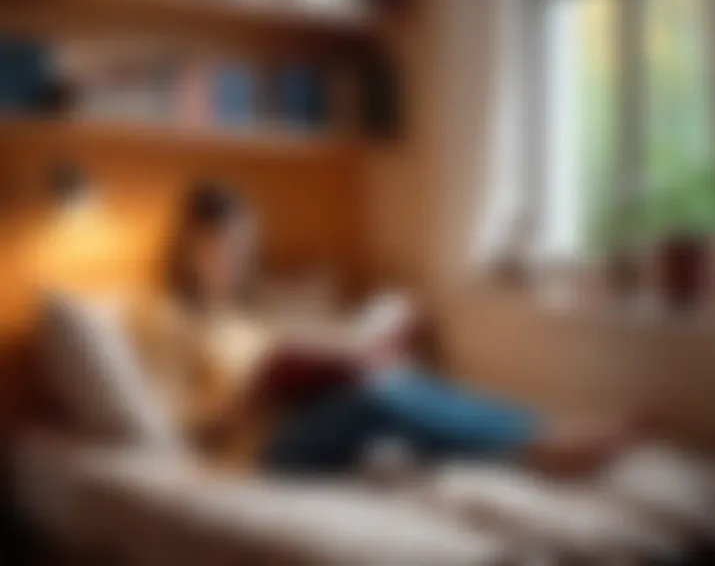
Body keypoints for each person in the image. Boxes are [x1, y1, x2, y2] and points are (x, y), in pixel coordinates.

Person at [134, 183, 638, 477]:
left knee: (388, 378)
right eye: (220, 247)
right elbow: (180, 424)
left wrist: (353, 352)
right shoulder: (167, 317)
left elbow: (296, 363)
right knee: (376, 400)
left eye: (244, 248)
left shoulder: (251, 314)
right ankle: (539, 452)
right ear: (187, 248)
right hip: (261, 448)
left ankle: (543, 429)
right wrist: (242, 401)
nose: (235, 261)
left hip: (303, 416)